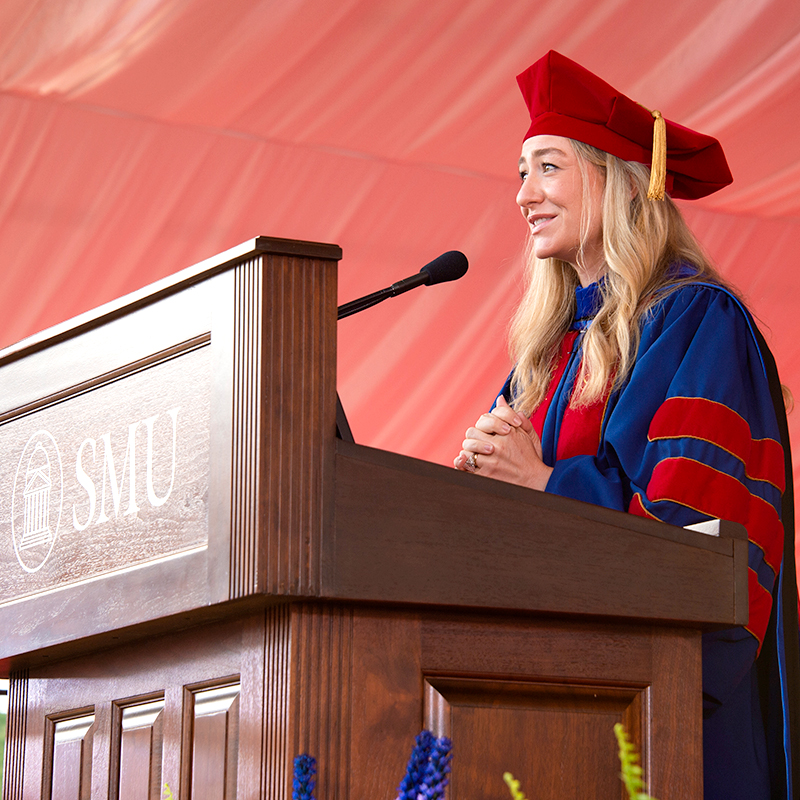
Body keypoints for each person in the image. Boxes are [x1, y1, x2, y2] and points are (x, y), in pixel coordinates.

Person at [454, 50, 799, 800]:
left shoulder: (697, 320)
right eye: (520, 172)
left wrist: (543, 483)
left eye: (547, 167)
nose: (522, 195)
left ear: (616, 180)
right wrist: (474, 488)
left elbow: (696, 538)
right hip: (543, 699)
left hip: (660, 715)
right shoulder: (545, 355)